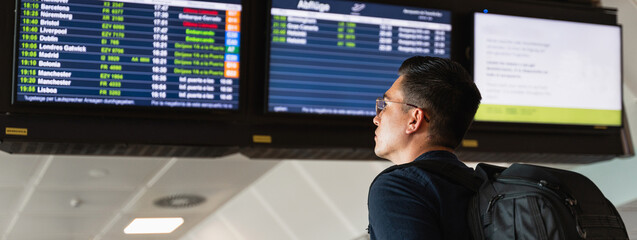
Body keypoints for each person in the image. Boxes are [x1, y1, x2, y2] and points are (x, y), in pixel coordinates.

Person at [367, 56, 482, 239]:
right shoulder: (476, 186)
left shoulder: (398, 187)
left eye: (386, 105)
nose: (376, 118)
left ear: (414, 119)